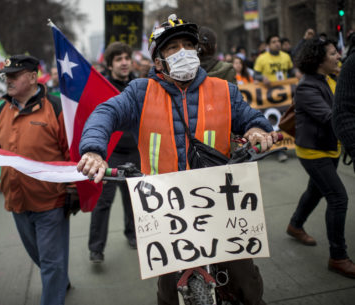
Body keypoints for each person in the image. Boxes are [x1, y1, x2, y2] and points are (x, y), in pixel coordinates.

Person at [77, 14, 278, 305]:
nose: (183, 51)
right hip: (165, 209)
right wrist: (94, 150)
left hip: (221, 203)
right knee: (169, 293)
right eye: (173, 47)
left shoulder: (224, 90)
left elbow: (252, 119)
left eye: (188, 45)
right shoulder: (139, 92)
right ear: (158, 61)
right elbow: (104, 114)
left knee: (246, 283)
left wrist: (258, 130)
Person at [0, 55, 71, 305]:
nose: (8, 81)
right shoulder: (2, 109)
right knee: (41, 257)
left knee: (51, 263)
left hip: (49, 202)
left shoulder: (55, 108)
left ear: (33, 77)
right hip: (17, 201)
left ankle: (54, 293)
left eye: (14, 75)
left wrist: (73, 189)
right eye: (6, 76)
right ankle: (60, 280)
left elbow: (70, 153)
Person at [285, 38, 354, 278]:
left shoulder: (332, 78)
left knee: (315, 191)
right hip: (314, 152)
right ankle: (338, 257)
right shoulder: (306, 88)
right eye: (334, 53)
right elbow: (332, 117)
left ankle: (295, 225)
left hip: (330, 148)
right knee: (338, 198)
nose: (339, 56)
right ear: (318, 60)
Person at [88, 42, 139, 264]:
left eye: (127, 57)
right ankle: (96, 248)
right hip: (110, 154)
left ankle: (133, 235)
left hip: (136, 152)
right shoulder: (102, 88)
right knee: (103, 201)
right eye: (118, 59)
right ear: (109, 65)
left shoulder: (139, 85)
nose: (124, 62)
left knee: (133, 199)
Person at [254, 34, 294, 162]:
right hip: (268, 97)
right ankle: (277, 150)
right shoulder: (262, 58)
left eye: (278, 41)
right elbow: (255, 74)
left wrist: (297, 74)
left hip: (284, 96)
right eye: (273, 41)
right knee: (273, 124)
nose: (277, 43)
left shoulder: (286, 57)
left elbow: (292, 71)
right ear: (268, 45)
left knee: (285, 121)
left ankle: (283, 148)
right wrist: (261, 78)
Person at [333, 54, 355, 170]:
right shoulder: (307, 85)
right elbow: (341, 113)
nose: (338, 56)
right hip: (316, 150)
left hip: (333, 147)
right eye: (332, 54)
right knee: (335, 188)